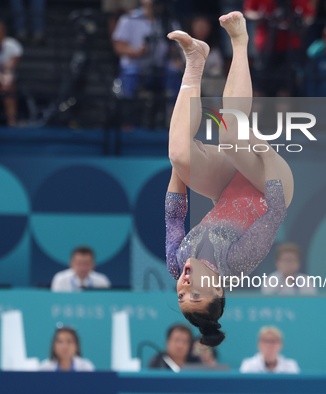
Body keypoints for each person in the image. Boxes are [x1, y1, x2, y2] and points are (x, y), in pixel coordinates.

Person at [165, 11, 294, 347]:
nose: (185, 288)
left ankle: (195, 61)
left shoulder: (176, 262)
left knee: (178, 153)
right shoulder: (236, 262)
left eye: (182, 297)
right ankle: (240, 41)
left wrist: (183, 166)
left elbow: (174, 211)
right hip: (270, 187)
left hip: (225, 189)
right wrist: (266, 153)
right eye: (196, 295)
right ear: (218, 289)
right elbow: (276, 211)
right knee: (232, 137)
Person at [111, 0, 182, 99]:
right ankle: (127, 109)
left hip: (160, 67)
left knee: (176, 75)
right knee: (130, 74)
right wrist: (137, 52)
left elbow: (178, 50)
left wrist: (174, 54)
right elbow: (118, 47)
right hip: (136, 66)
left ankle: (174, 111)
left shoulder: (169, 21)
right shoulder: (129, 18)